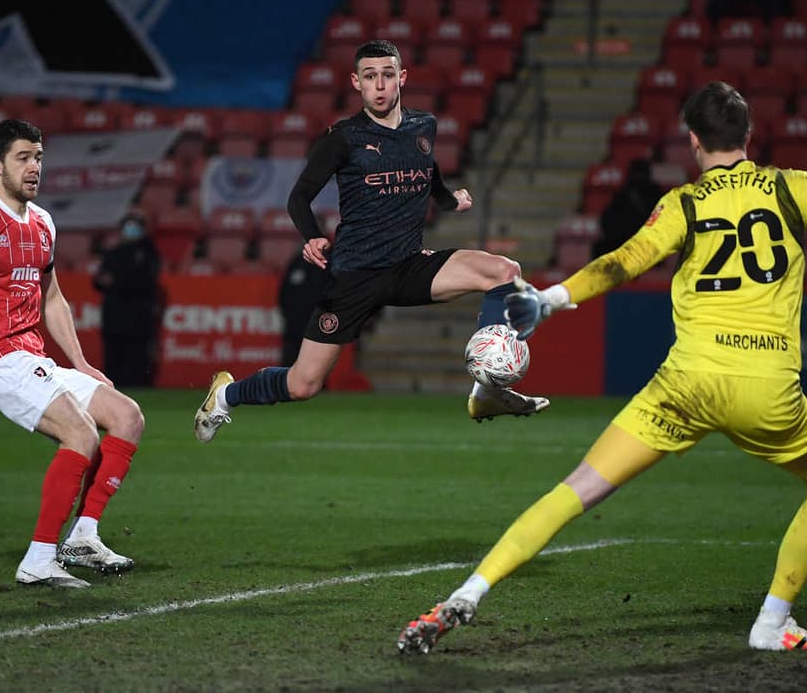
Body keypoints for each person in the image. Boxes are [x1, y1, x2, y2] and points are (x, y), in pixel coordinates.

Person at [396, 81, 807, 654]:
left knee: (577, 488)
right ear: (749, 136)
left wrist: (551, 299)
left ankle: (468, 592)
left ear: (693, 141)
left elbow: (623, 262)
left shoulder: (684, 203)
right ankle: (772, 622)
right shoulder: (791, 189)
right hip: (766, 388)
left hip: (684, 384)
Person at [192, 39, 548, 442]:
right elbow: (298, 197)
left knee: (505, 272)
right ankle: (226, 394)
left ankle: (486, 390)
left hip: (409, 266)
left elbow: (425, 172)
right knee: (303, 385)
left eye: (387, 75)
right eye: (369, 76)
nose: (379, 85)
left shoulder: (423, 127)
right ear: (356, 83)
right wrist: (311, 237)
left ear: (402, 78)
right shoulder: (343, 138)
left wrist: (450, 200)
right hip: (354, 276)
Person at [0, 118, 146, 589]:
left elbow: (52, 299)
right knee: (81, 435)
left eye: (38, 157)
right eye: (23, 158)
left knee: (127, 416)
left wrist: (81, 363)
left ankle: (83, 537)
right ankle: (39, 559)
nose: (34, 167)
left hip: (34, 356)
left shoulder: (43, 222)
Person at [94, 210, 163, 387]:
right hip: (114, 314)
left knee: (138, 356)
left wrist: (116, 281)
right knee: (113, 355)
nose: (131, 230)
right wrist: (118, 281)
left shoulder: (149, 253)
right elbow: (98, 281)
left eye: (135, 226)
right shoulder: (113, 253)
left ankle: (140, 388)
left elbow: (145, 281)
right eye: (128, 226)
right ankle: (111, 389)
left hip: (139, 314)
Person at [592, 157, 664, 258]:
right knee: (600, 247)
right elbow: (606, 221)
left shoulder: (655, 195)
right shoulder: (623, 194)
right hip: (622, 242)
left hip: (648, 244)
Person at [277, 248, 333, 367]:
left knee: (316, 366)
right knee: (289, 364)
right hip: (294, 326)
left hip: (317, 326)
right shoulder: (297, 262)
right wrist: (288, 315)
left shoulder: (329, 262)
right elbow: (284, 293)